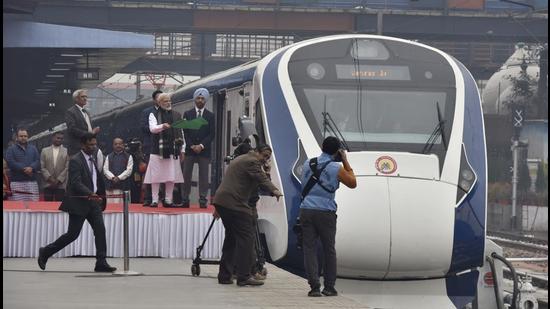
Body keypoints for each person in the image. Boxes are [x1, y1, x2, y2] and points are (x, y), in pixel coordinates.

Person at [38, 133, 117, 272]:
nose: (93, 147)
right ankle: (45, 252)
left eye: (94, 144)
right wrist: (90, 193)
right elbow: (75, 183)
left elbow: (95, 179)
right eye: (90, 144)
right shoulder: (75, 160)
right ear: (82, 145)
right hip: (79, 203)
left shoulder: (92, 159)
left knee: (100, 230)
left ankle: (101, 262)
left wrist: (98, 194)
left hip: (93, 203)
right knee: (72, 235)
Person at [213, 144, 282, 287]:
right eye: (264, 156)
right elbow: (262, 180)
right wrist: (275, 190)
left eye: (268, 158)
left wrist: (266, 171)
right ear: (257, 152)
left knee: (231, 238)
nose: (265, 160)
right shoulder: (252, 161)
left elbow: (259, 181)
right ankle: (244, 276)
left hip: (222, 202)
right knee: (246, 239)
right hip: (235, 204)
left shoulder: (242, 159)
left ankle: (225, 275)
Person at [299, 136, 356, 297]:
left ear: (322, 147)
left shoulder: (308, 163)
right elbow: (353, 183)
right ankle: (329, 287)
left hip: (306, 210)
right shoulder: (336, 168)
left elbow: (304, 185)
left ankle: (314, 287)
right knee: (328, 249)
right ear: (337, 151)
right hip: (326, 212)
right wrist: (345, 160)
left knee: (309, 248)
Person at [143, 93, 185, 208]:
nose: (168, 103)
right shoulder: (154, 114)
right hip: (157, 150)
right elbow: (152, 129)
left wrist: (183, 150)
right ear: (159, 103)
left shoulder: (177, 115)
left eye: (169, 101)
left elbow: (181, 132)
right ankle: (155, 200)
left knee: (171, 177)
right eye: (165, 101)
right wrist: (162, 126)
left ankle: (168, 200)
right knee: (156, 176)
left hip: (173, 150)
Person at [182, 88, 215, 208]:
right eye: (198, 98)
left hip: (204, 150)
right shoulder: (187, 114)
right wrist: (191, 145)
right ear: (194, 99)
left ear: (205, 100)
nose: (200, 100)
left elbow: (211, 134)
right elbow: (185, 132)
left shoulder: (210, 116)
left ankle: (202, 199)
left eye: (202, 98)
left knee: (204, 175)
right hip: (190, 150)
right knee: (186, 174)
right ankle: (185, 198)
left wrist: (201, 146)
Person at [140, 90, 163, 206]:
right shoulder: (147, 112)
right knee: (151, 173)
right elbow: (144, 127)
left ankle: (163, 198)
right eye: (158, 98)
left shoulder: (167, 112)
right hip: (151, 146)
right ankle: (148, 198)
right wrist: (157, 128)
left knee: (164, 173)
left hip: (164, 147)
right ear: (154, 100)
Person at [5, 128, 40, 201]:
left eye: (25, 136)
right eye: (21, 136)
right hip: (17, 182)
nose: (23, 138)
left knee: (33, 205)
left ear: (27, 137)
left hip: (32, 182)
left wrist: (31, 168)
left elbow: (37, 160)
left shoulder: (33, 148)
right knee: (18, 206)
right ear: (17, 137)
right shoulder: (11, 149)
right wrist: (24, 169)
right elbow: (11, 162)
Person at [65, 89, 100, 156]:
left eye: (86, 97)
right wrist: (89, 134)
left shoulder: (87, 112)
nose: (85, 99)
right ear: (76, 99)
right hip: (77, 147)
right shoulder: (70, 112)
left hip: (88, 147)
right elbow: (72, 129)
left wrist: (94, 132)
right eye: (82, 97)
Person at [40, 132, 69, 201]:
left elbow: (67, 167)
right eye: (58, 138)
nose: (59, 140)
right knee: (47, 207)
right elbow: (42, 167)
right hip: (48, 184)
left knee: (59, 207)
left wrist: (58, 180)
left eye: (61, 138)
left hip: (61, 185)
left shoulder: (66, 151)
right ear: (52, 138)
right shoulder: (44, 151)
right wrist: (51, 180)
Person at [103, 138, 133, 204]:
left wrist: (119, 178)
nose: (118, 146)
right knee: (110, 205)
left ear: (123, 145)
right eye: (116, 144)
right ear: (113, 145)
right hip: (111, 184)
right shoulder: (108, 156)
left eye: (120, 144)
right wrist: (113, 177)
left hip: (123, 185)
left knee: (124, 206)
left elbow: (129, 171)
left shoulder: (128, 156)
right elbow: (105, 170)